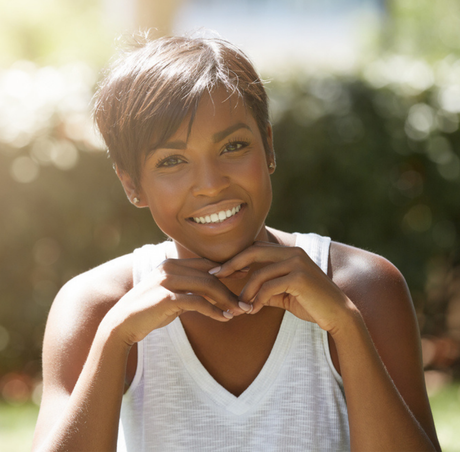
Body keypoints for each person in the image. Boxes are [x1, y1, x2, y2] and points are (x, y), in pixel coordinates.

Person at [32, 33, 441, 452]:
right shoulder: (98, 305)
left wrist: (345, 326)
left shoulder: (362, 288)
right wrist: (113, 338)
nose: (210, 185)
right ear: (132, 184)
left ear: (268, 146)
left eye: (233, 146)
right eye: (171, 161)